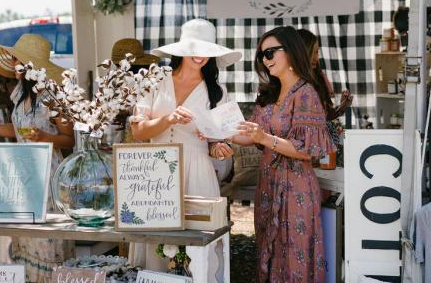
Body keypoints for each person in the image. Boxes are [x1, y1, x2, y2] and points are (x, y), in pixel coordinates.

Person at [130, 18, 242, 270]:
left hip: (198, 171)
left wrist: (219, 148)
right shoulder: (155, 81)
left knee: (197, 248)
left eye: (207, 50)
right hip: (154, 171)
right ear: (181, 49)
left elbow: (218, 139)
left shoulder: (217, 91)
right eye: (195, 48)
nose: (201, 55)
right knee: (156, 241)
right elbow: (137, 131)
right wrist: (168, 119)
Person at [0, 34, 74, 283]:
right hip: (24, 174)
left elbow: (69, 139)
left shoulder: (52, 96)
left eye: (17, 59)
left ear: (30, 64)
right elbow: (17, 130)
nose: (13, 64)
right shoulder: (20, 96)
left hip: (47, 173)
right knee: (24, 237)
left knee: (45, 238)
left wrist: (44, 137)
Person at [231, 25, 337, 282]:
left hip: (295, 189)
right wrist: (215, 132)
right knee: (269, 250)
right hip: (268, 184)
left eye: (270, 53)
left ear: (290, 51)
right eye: (261, 55)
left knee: (293, 256)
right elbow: (249, 134)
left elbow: (307, 150)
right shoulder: (270, 93)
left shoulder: (306, 93)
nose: (265, 60)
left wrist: (265, 138)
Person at [297, 28, 353, 120]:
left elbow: (326, 117)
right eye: (312, 53)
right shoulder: (292, 84)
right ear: (301, 54)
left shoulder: (319, 77)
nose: (316, 58)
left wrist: (342, 107)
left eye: (317, 52)